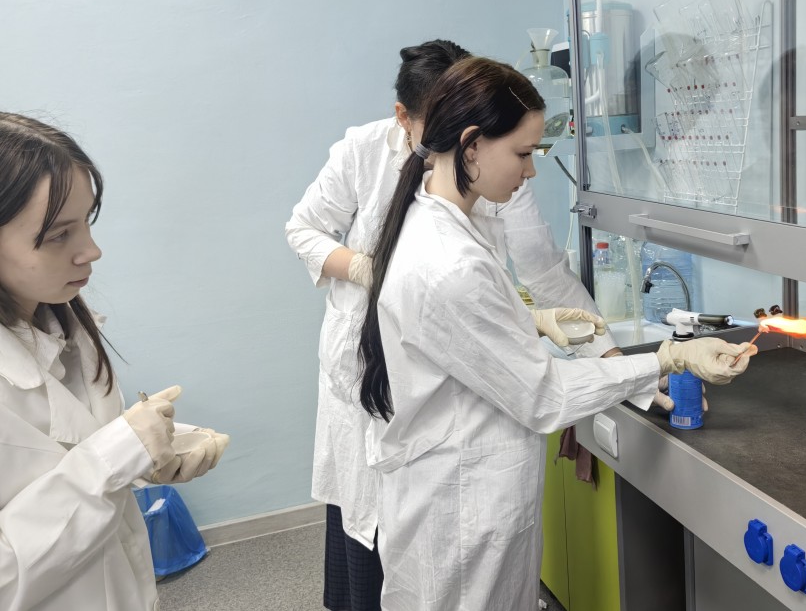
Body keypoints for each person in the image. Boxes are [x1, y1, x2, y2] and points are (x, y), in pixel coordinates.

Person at [358, 56, 756, 610]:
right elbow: (544, 396)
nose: (530, 172)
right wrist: (668, 357)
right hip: (463, 505)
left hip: (456, 486)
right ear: (471, 146)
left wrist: (528, 320)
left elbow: (457, 331)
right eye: (523, 154)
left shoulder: (439, 215)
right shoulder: (450, 263)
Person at [285, 38, 627, 611]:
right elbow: (303, 229)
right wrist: (370, 268)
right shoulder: (366, 153)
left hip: (444, 382)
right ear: (405, 117)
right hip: (368, 372)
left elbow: (542, 267)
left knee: (425, 556)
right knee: (373, 545)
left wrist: (607, 353)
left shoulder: (488, 166)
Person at [0, 112, 229, 611]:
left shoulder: (59, 319)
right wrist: (116, 457)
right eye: (59, 235)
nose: (92, 250)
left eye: (87, 221)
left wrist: (151, 450)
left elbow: (67, 446)